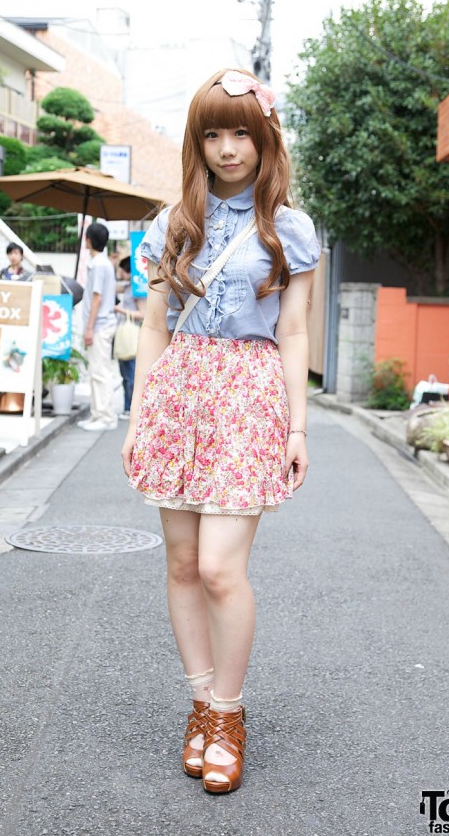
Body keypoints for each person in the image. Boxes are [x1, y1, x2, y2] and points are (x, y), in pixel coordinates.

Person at [120, 68, 320, 794]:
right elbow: (152, 328)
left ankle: (229, 716)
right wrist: (140, 419)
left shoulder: (289, 230)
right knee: (178, 565)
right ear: (196, 142)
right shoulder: (171, 224)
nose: (228, 148)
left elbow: (293, 330)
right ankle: (201, 704)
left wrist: (297, 428)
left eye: (241, 132)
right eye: (213, 134)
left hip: (247, 397)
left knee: (218, 568)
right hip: (180, 394)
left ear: (265, 138)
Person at [77, 222, 118, 431]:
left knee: (100, 372)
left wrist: (89, 328)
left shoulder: (99, 265)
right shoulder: (100, 263)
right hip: (101, 324)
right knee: (96, 371)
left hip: (100, 325)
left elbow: (96, 298)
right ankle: (97, 414)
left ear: (89, 240)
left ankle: (105, 417)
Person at [114, 256, 145, 420]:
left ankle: (131, 408)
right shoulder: (127, 287)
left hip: (131, 331)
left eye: (122, 269)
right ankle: (127, 406)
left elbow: (142, 314)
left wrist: (120, 311)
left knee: (131, 372)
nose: (120, 272)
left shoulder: (137, 290)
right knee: (124, 371)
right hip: (123, 331)